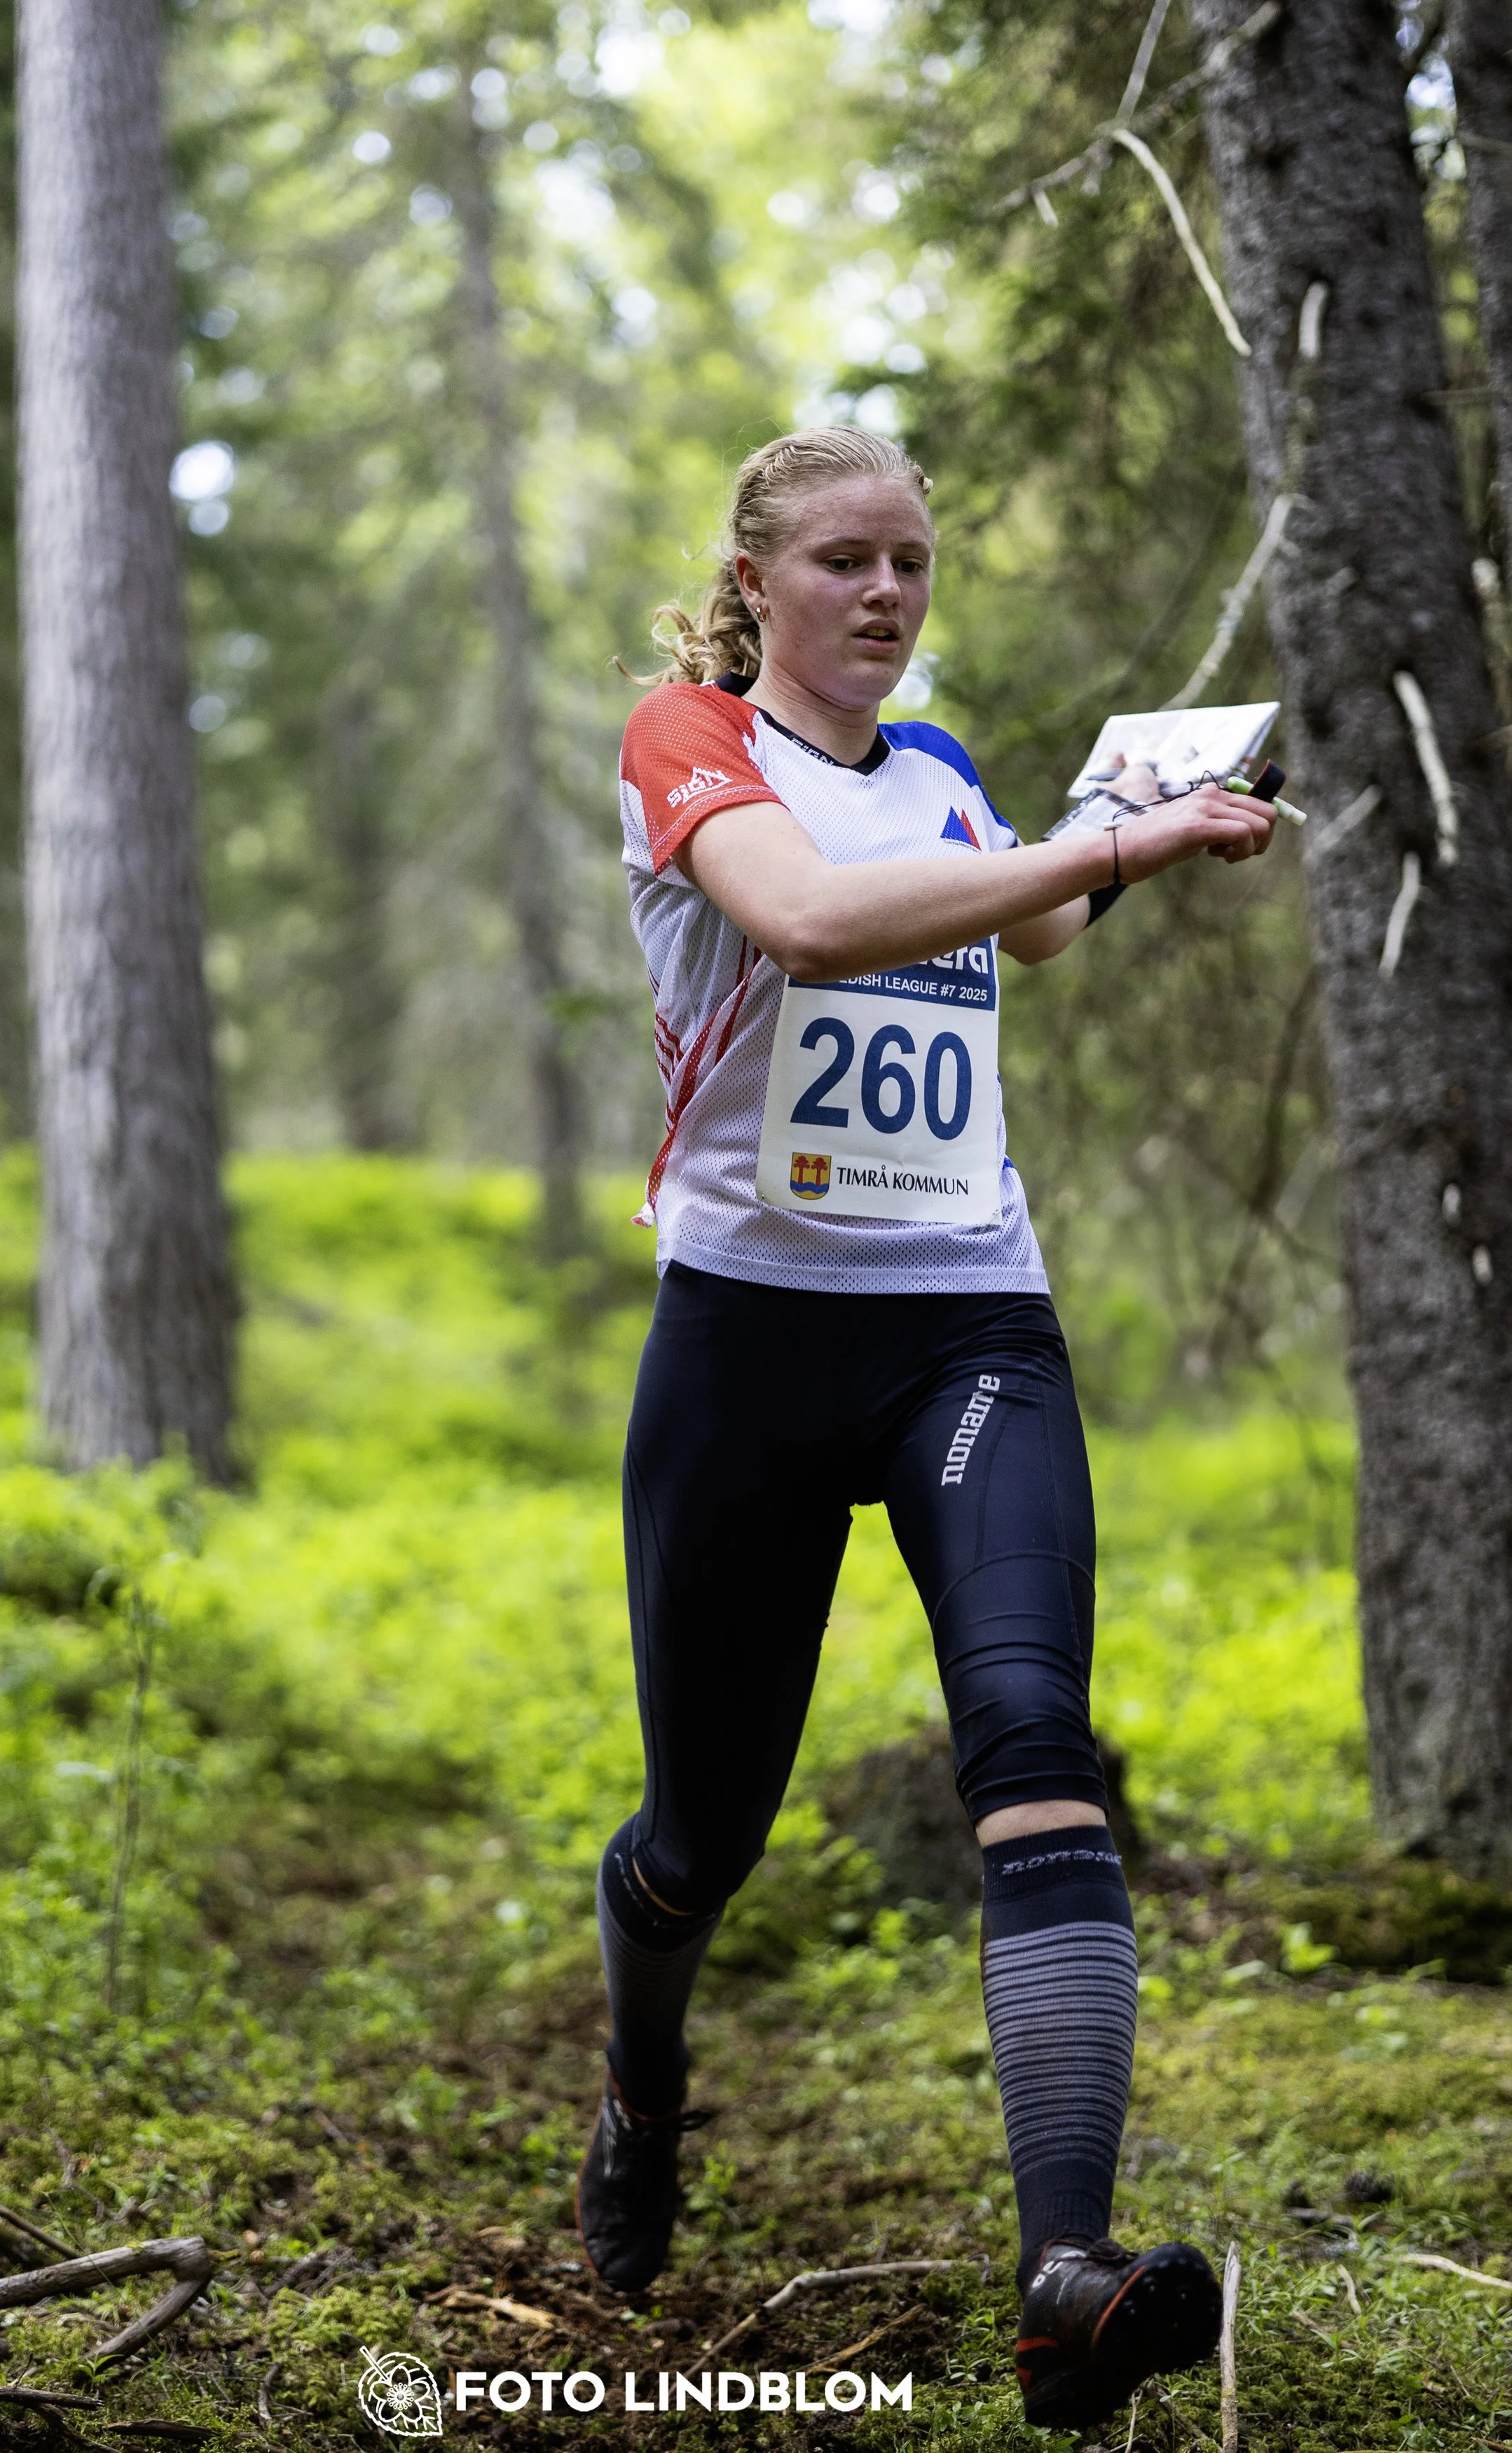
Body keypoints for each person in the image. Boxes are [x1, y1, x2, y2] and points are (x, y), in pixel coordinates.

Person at [575, 425, 1277, 2431]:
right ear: (758, 579)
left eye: (910, 562)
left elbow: (1029, 929)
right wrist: (1113, 848)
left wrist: (1125, 805)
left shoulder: (953, 775)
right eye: (844, 561)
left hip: (969, 1318)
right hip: (744, 1341)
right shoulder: (684, 738)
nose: (884, 594)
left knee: (1032, 1738)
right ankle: (641, 2084)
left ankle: (1066, 2272)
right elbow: (801, 923)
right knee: (702, 1831)